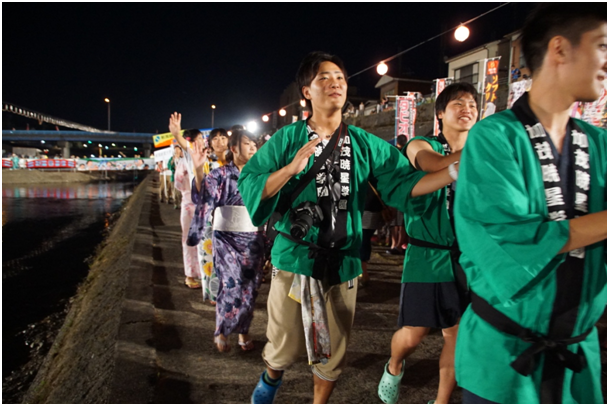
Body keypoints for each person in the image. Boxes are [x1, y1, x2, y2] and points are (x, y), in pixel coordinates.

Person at [238, 51, 460, 404]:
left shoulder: (363, 143)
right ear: (306, 92)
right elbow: (249, 182)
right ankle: (272, 374)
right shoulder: (285, 139)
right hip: (295, 258)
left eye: (340, 77)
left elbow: (403, 184)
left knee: (333, 351)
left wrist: (450, 173)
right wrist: (290, 170)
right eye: (324, 78)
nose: (336, 83)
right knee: (285, 344)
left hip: (344, 262)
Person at [454, 4, 606, 403]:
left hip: (578, 360)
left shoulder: (599, 143)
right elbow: (509, 241)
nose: (607, 62)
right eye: (602, 46)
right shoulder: (494, 138)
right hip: (503, 361)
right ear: (559, 49)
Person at [377, 82, 478, 404]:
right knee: (413, 334)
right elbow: (433, 165)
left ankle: (441, 401)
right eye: (458, 104)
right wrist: (486, 150)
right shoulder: (422, 144)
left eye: (473, 105)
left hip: (467, 258)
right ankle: (394, 365)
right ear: (440, 114)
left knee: (456, 336)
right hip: (426, 254)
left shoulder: (482, 151)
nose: (468, 109)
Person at [190, 129, 265, 353]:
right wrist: (197, 168)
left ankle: (243, 330)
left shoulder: (261, 175)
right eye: (247, 143)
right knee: (231, 284)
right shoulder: (220, 174)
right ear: (234, 149)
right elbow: (203, 196)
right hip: (227, 240)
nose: (253, 147)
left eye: (254, 143)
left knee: (250, 288)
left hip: (254, 239)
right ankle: (221, 329)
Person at [169, 114, 231, 304]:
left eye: (223, 138)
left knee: (222, 252)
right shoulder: (201, 159)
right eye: (215, 138)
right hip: (199, 208)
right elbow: (187, 181)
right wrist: (177, 134)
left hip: (225, 213)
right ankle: (209, 288)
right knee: (205, 249)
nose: (219, 142)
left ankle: (223, 287)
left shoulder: (232, 160)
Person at [174, 138, 202, 290]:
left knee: (206, 241)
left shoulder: (208, 160)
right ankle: (190, 275)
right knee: (189, 240)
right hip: (189, 205)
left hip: (204, 206)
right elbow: (178, 184)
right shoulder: (183, 162)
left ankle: (204, 274)